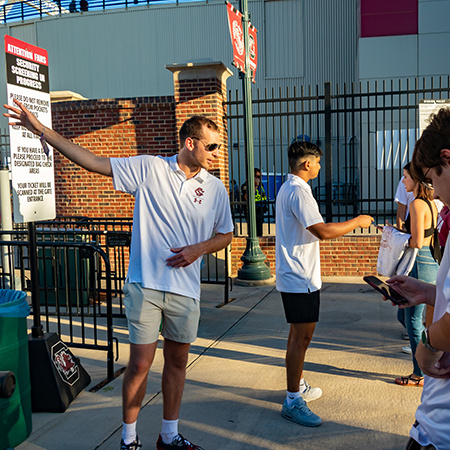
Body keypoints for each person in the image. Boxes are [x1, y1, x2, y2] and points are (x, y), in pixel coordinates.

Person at [4, 99, 233, 450]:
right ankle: (129, 438)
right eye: (212, 145)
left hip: (186, 291)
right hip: (145, 285)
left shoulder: (216, 189)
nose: (217, 152)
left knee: (177, 363)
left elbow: (226, 235)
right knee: (140, 364)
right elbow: (94, 162)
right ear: (190, 143)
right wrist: (43, 132)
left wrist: (198, 250)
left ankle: (169, 435)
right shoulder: (149, 168)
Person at [275, 140, 373, 427]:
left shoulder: (288, 188)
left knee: (296, 337)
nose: (319, 166)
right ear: (306, 164)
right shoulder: (299, 192)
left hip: (296, 276)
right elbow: (323, 231)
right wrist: (358, 221)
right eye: (317, 162)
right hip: (300, 278)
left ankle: (298, 386)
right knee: (301, 339)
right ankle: (293, 400)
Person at [386, 108, 450, 450]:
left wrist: (427, 348)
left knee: (413, 326)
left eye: (430, 178)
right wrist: (428, 292)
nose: (434, 191)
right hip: (437, 422)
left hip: (440, 431)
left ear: (446, 158)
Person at [395, 163, 439, 387]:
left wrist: (394, 236)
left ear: (416, 180)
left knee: (412, 320)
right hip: (429, 261)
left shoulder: (416, 204)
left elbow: (417, 241)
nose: (403, 182)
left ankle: (418, 373)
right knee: (404, 316)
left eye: (405, 177)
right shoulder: (431, 203)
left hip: (419, 263)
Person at [241, 168, 268, 236]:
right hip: (251, 210)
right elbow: (246, 197)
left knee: (259, 231)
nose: (259, 178)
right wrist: (255, 185)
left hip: (260, 209)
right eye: (258, 176)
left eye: (260, 177)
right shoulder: (246, 185)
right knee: (253, 232)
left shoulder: (261, 184)